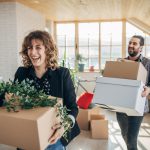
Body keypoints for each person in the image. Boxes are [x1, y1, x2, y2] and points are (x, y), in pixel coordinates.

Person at [1, 30, 80, 150]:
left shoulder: (62, 74)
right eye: (29, 48)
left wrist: (64, 126)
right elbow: (12, 101)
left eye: (38, 47)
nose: (33, 52)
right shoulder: (21, 73)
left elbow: (72, 107)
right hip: (27, 136)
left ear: (47, 50)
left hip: (54, 139)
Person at [116, 35, 150, 150]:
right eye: (130, 43)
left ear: (141, 48)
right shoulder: (122, 62)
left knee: (131, 137)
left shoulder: (147, 63)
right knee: (124, 134)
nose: (131, 45)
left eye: (134, 44)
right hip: (121, 106)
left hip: (138, 108)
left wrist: (149, 89)